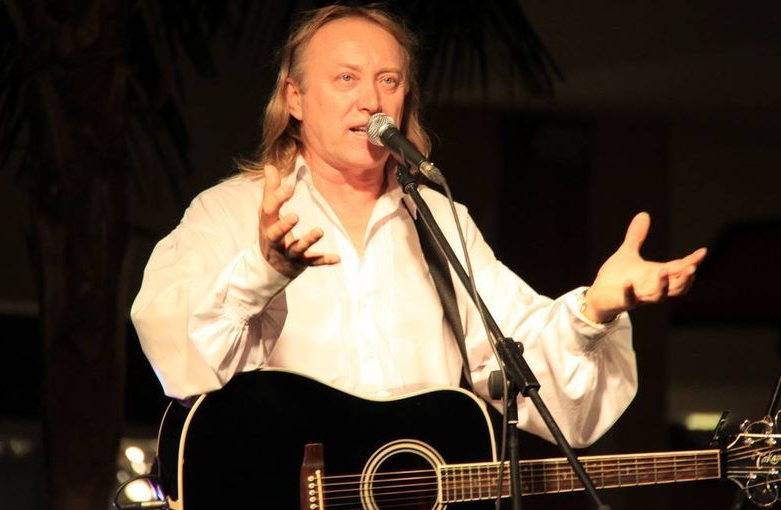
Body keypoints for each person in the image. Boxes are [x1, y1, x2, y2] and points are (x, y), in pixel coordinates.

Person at [131, 4, 706, 450]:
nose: (371, 101)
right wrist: (263, 271)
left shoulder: (439, 219)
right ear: (295, 98)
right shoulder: (229, 211)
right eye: (346, 78)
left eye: (389, 80)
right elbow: (175, 358)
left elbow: (521, 368)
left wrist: (595, 309)